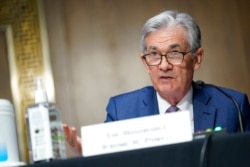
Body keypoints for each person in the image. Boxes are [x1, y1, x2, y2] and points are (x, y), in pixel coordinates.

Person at [62, 10, 250, 156]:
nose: (164, 65)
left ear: (197, 58)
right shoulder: (122, 111)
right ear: (145, 62)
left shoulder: (232, 106)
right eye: (154, 55)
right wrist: (88, 155)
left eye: (174, 53)